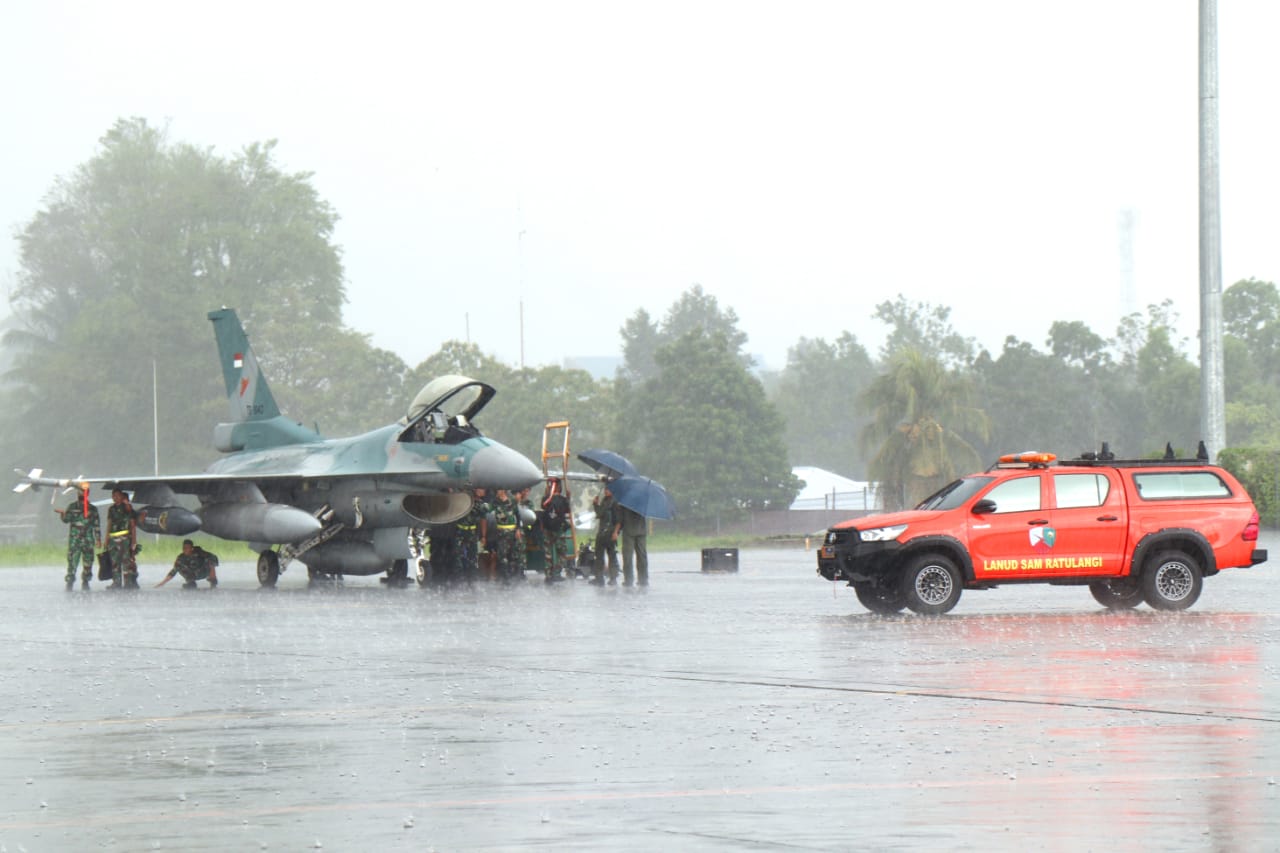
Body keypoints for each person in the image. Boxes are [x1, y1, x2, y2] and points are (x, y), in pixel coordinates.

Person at [56, 483, 101, 590]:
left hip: (88, 540)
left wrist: (98, 539)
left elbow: (96, 525)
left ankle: (86, 581)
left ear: (87, 493)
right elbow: (66, 520)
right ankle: (70, 581)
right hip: (75, 540)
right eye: (80, 491)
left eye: (84, 491)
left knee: (88, 562)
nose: (81, 493)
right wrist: (63, 515)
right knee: (72, 562)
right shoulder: (72, 507)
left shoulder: (93, 509)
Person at [539, 477, 572, 582]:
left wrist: (546, 494)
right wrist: (568, 498)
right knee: (562, 552)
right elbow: (568, 510)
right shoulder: (563, 500)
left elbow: (543, 507)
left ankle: (548, 575)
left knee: (548, 553)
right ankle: (556, 573)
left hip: (547, 528)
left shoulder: (546, 500)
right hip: (558, 529)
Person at [105, 488, 139, 589]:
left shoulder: (128, 508)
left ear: (122, 496)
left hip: (125, 539)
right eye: (114, 496)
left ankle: (128, 582)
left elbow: (132, 525)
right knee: (115, 562)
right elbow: (109, 524)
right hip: (113, 539)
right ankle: (116, 582)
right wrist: (106, 539)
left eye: (118, 496)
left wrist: (134, 541)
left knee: (126, 562)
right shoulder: (111, 509)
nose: (116, 498)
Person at [489, 489, 523, 582]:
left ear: (503, 491)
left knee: (513, 555)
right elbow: (487, 509)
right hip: (501, 532)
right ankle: (505, 578)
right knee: (502, 556)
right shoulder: (495, 502)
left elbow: (518, 515)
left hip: (511, 532)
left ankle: (513, 577)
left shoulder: (512, 501)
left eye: (499, 490)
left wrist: (518, 529)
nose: (497, 492)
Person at [591, 484, 621, 585]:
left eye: (608, 489)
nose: (606, 491)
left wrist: (616, 532)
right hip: (602, 532)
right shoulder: (604, 500)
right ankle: (599, 578)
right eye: (605, 489)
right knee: (598, 556)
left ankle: (613, 578)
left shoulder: (615, 502)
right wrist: (595, 504)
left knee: (612, 556)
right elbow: (600, 514)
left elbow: (618, 520)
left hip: (610, 533)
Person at [618, 503, 649, 587]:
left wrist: (617, 531)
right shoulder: (644, 502)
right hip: (641, 530)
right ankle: (643, 579)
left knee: (627, 556)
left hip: (629, 531)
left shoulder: (625, 502)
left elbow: (621, 519)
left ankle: (628, 580)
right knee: (642, 556)